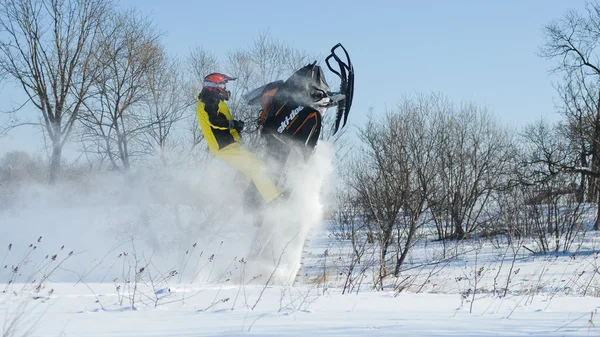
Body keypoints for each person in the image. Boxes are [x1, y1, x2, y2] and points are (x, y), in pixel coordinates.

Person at [196, 72, 281, 205]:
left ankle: (250, 203)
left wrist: (236, 125)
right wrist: (232, 124)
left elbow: (218, 120)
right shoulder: (209, 101)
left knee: (247, 172)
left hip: (227, 144)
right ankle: (275, 200)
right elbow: (214, 121)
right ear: (215, 86)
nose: (225, 88)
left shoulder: (211, 101)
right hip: (224, 145)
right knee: (256, 166)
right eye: (223, 85)